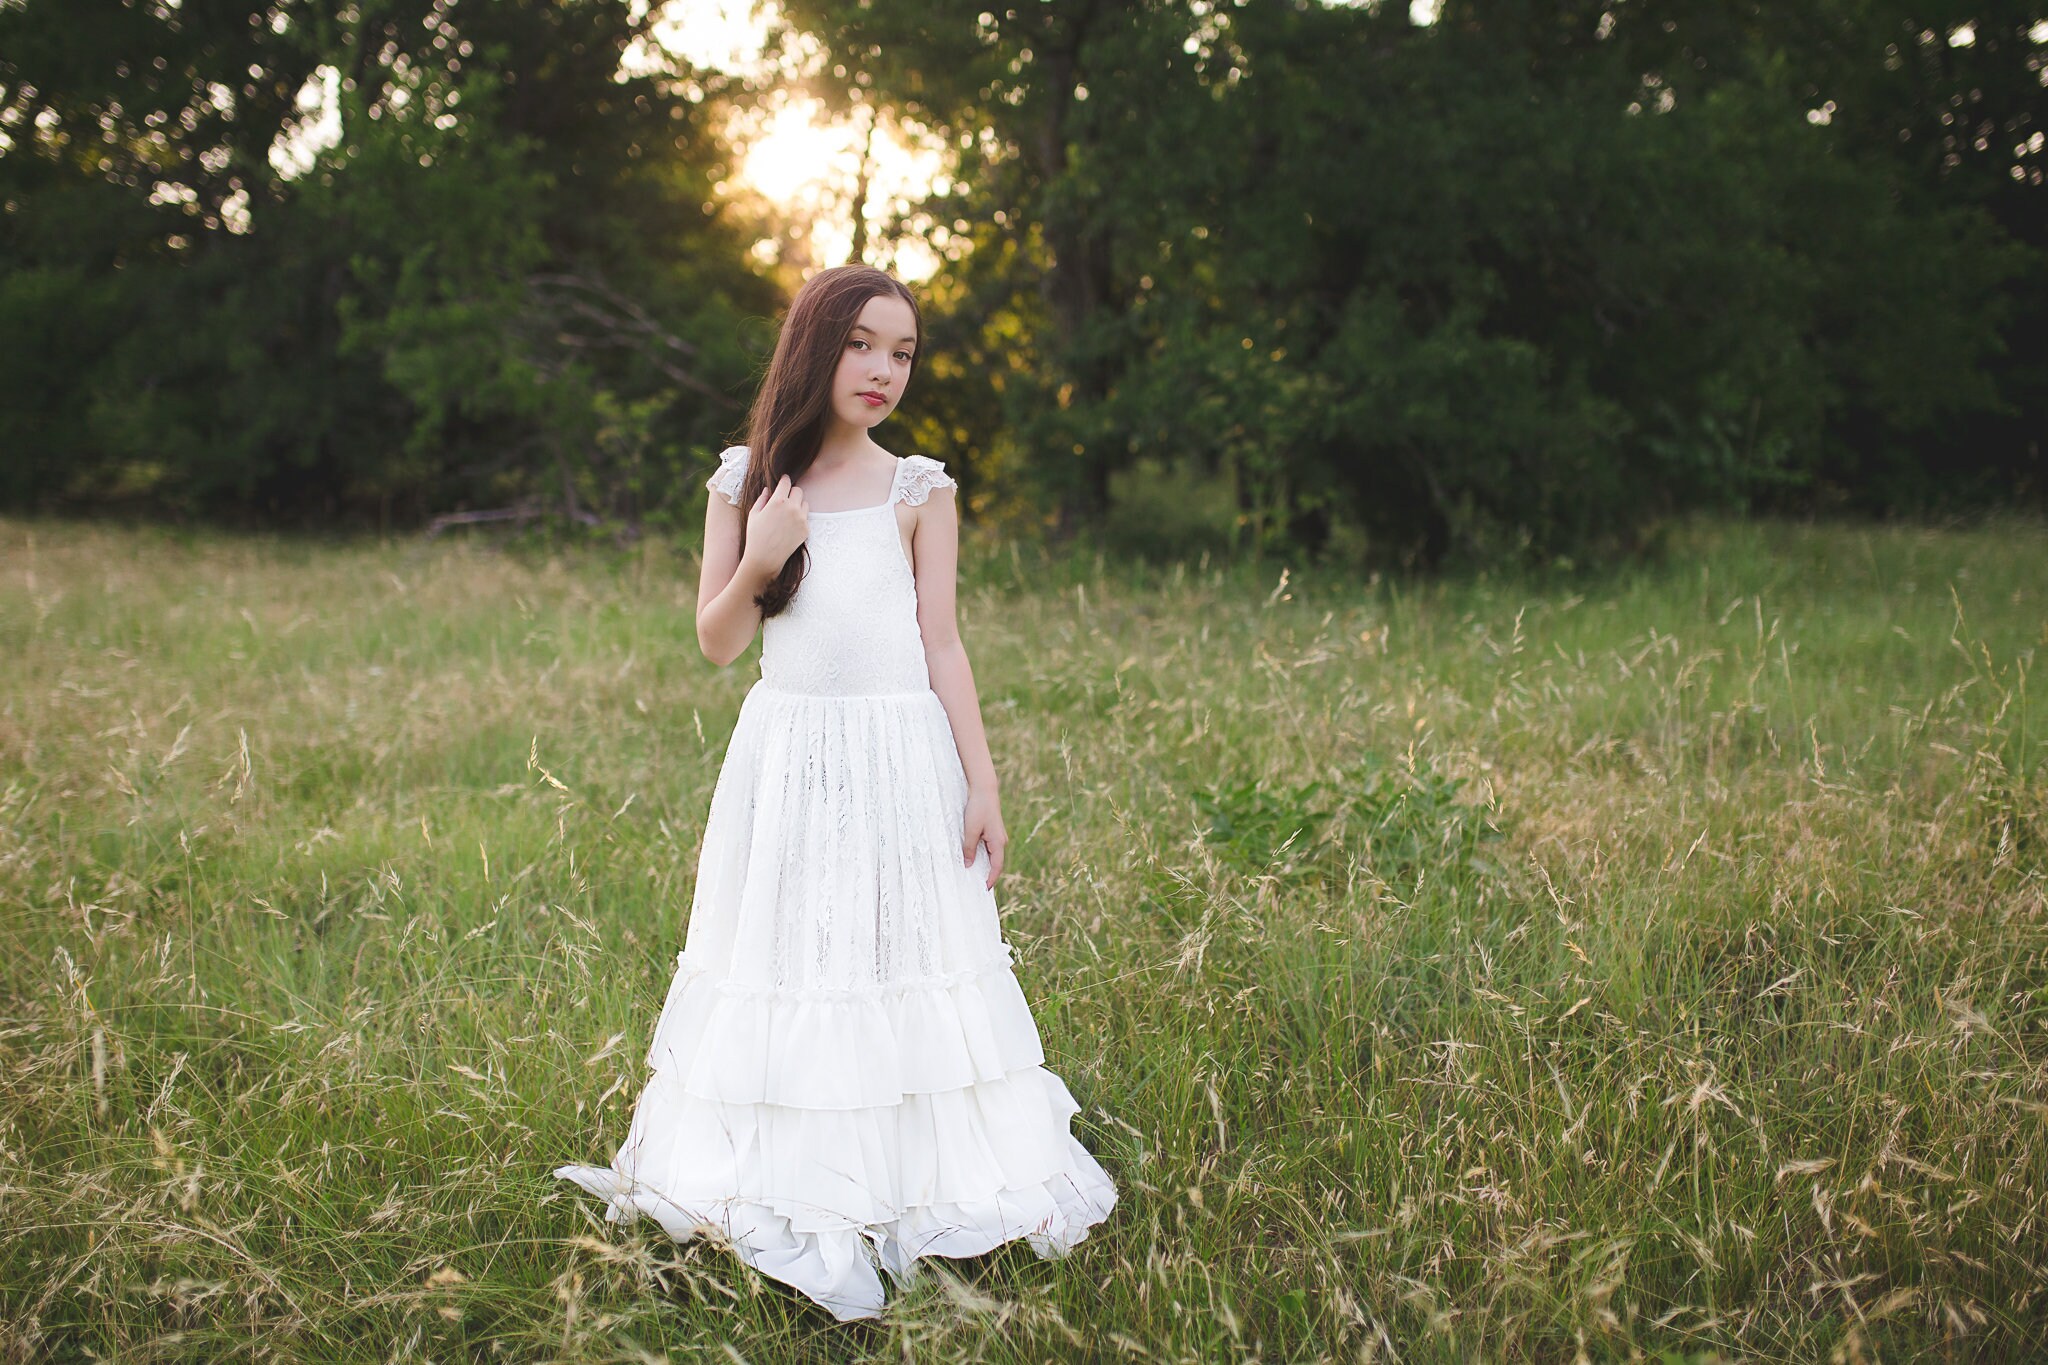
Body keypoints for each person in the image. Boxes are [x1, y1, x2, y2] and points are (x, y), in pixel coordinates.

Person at [554, 263, 1118, 1321]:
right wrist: (764, 553)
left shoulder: (919, 490)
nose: (882, 371)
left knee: (896, 950)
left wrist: (984, 781)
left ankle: (910, 1171)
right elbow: (717, 644)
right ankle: (797, 1171)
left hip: (905, 755)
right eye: (863, 344)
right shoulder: (746, 483)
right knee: (797, 953)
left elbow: (940, 642)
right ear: (816, 346)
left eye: (901, 353)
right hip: (792, 755)